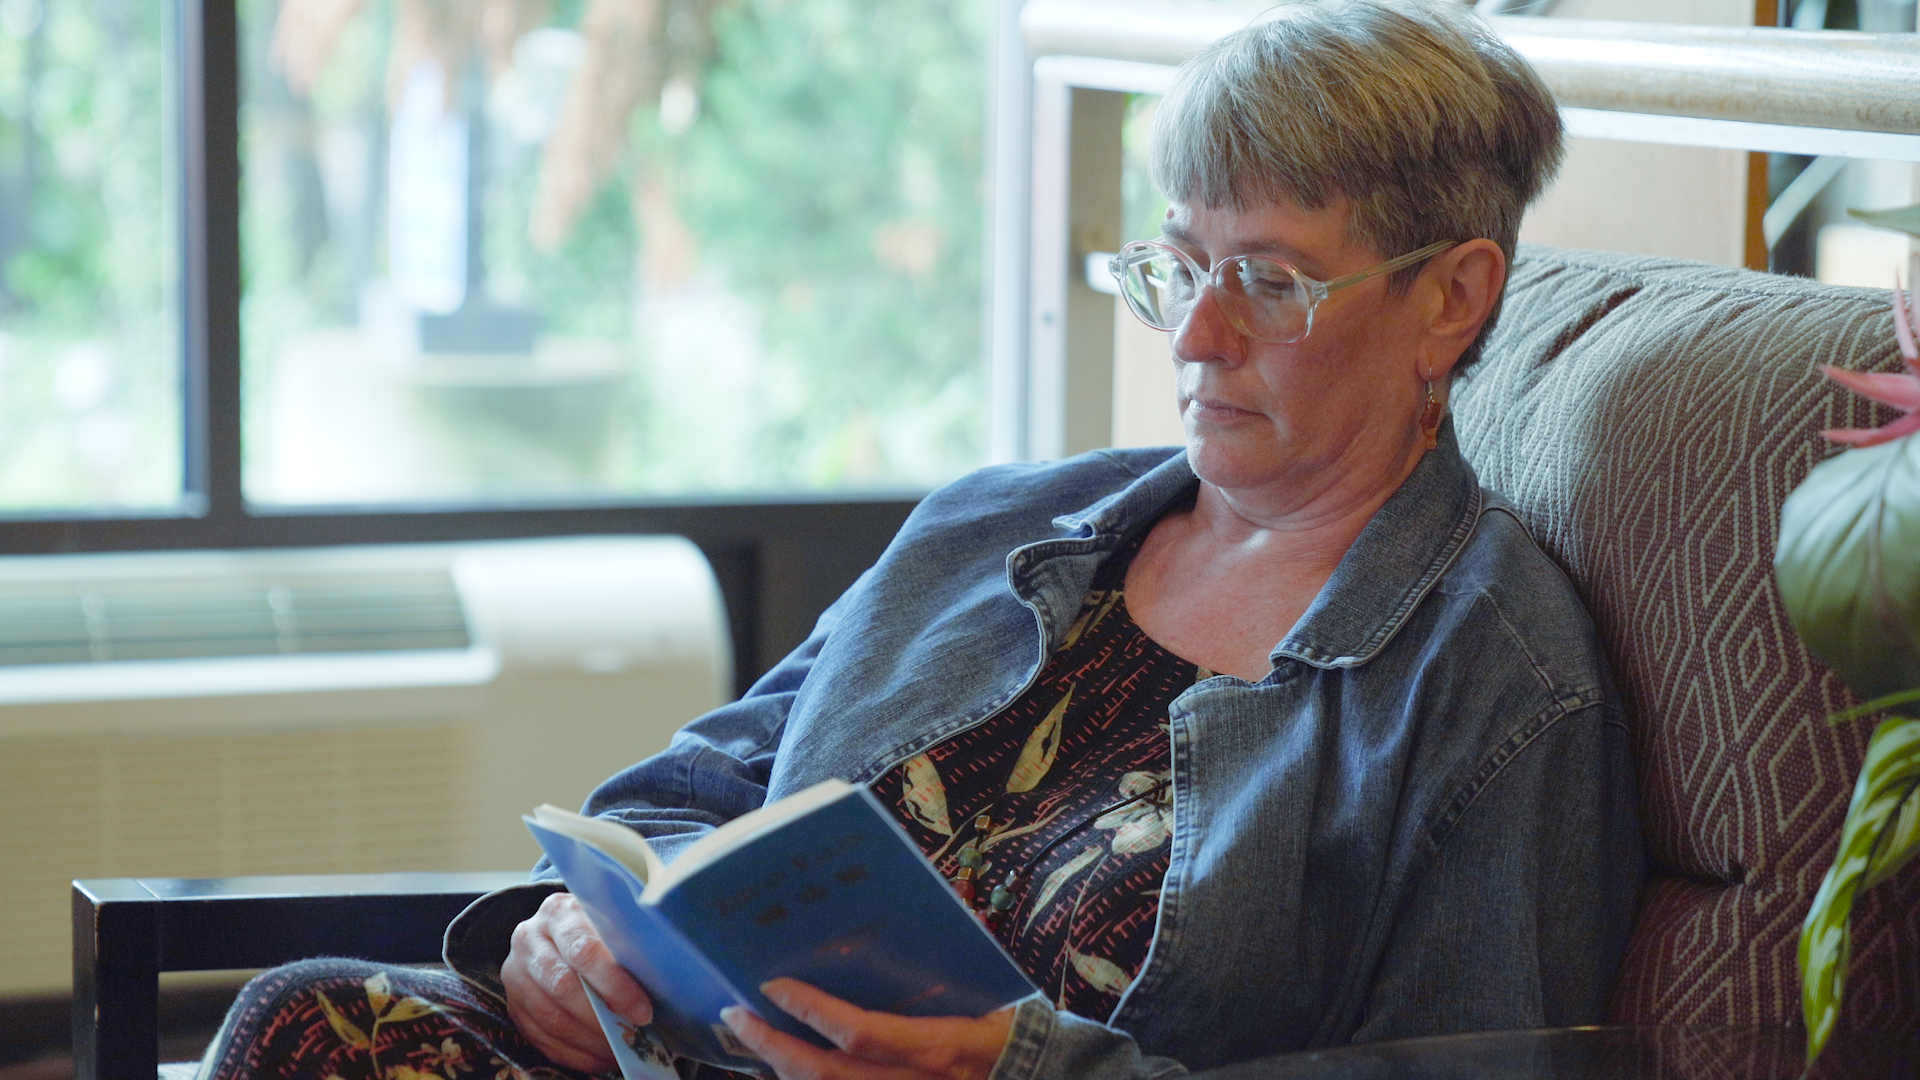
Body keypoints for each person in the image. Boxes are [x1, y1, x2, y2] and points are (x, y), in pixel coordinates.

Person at [197, 2, 1640, 1078]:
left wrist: (1018, 1070)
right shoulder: (993, 527)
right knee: (306, 1019)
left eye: (1268, 281)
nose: (1194, 336)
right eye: (1179, 265)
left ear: (1452, 299)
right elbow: (685, 794)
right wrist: (577, 938)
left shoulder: (1496, 679)